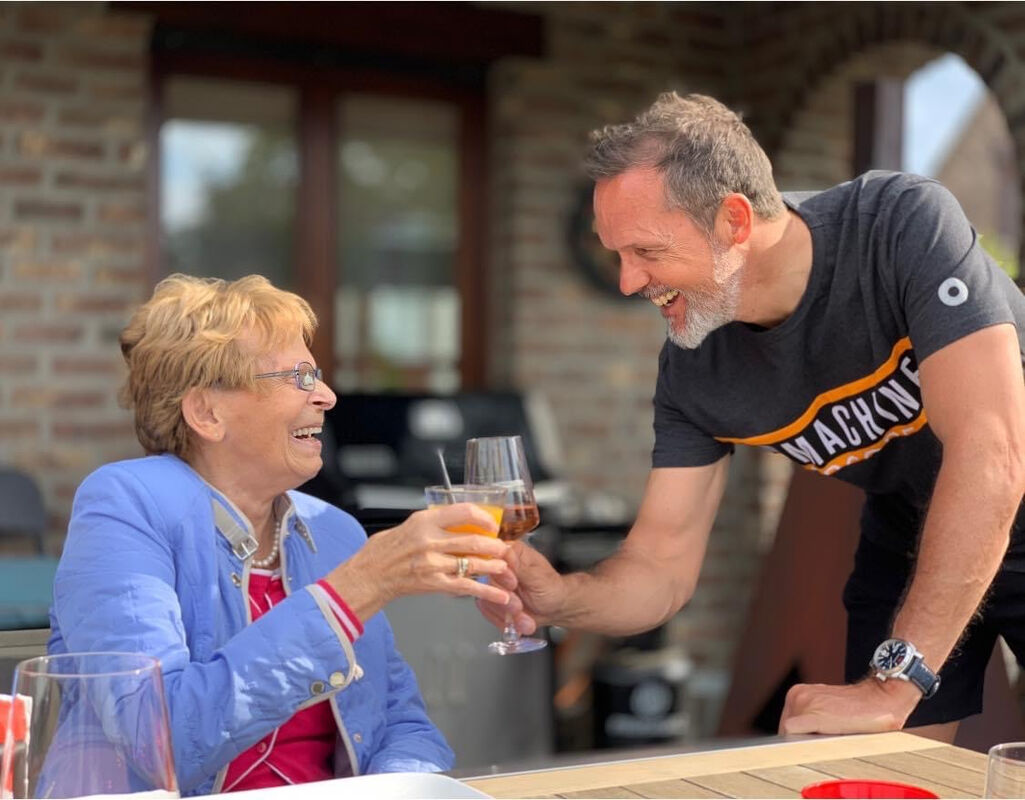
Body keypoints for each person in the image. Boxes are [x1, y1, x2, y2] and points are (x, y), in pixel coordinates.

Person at [480, 91, 1025, 741]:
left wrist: (893, 682)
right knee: (886, 770)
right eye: (616, 256)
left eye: (646, 251)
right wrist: (561, 598)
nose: (628, 282)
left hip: (999, 482)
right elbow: (659, 566)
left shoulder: (897, 223)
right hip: (909, 525)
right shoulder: (694, 371)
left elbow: (991, 455)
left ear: (733, 222)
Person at [49, 274, 514, 796]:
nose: (327, 396)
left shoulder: (333, 530)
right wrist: (351, 593)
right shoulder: (126, 505)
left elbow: (401, 723)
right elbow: (158, 739)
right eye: (298, 377)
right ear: (207, 412)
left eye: (317, 375)